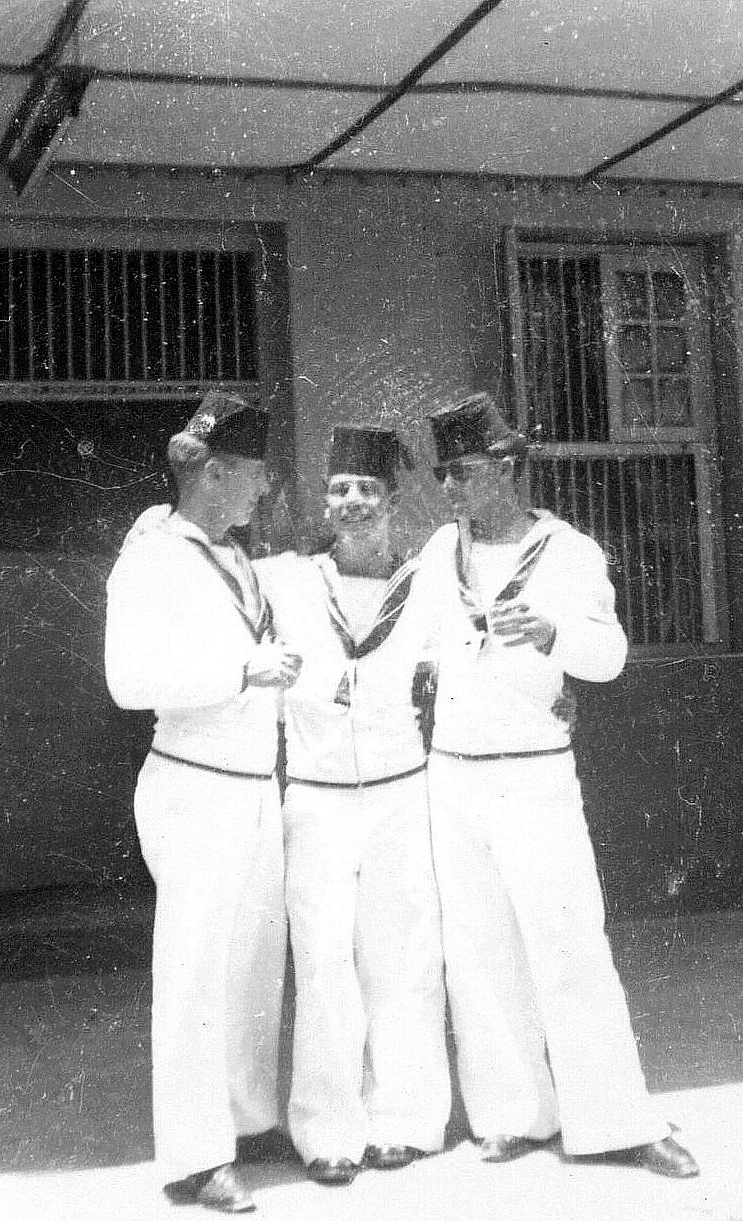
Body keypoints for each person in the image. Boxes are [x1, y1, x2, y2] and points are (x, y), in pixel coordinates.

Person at [415, 392, 699, 1179]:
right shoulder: (441, 549)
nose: (450, 489)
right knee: (477, 952)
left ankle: (617, 1119)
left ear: (506, 468)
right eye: (443, 474)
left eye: (464, 472)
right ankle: (512, 1114)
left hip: (534, 776)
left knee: (570, 946)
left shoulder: (568, 551)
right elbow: (412, 635)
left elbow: (606, 655)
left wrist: (551, 635)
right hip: (453, 773)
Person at [104, 391, 304, 1214]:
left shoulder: (233, 554)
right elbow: (129, 682)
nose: (265, 492)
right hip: (192, 787)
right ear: (216, 472)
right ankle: (192, 1155)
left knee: (254, 961)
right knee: (193, 970)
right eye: (256, 475)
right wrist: (240, 673)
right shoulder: (151, 555)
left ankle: (249, 1118)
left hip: (252, 785)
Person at [256, 425, 450, 1187]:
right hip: (318, 795)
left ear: (393, 500)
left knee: (402, 954)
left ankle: (405, 1120)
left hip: (402, 790)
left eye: (367, 489)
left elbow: (458, 669)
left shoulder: (426, 585)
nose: (351, 503)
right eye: (339, 489)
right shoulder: (285, 580)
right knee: (325, 958)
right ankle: (327, 1130)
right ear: (323, 500)